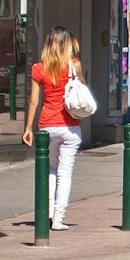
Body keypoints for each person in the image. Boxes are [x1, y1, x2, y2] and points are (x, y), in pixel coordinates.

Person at [23, 27, 84, 230]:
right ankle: (58, 218)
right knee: (65, 173)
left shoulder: (39, 69)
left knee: (50, 169)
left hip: (47, 125)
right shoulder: (74, 65)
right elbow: (82, 89)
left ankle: (47, 212)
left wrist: (28, 127)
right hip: (70, 126)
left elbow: (33, 101)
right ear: (67, 44)